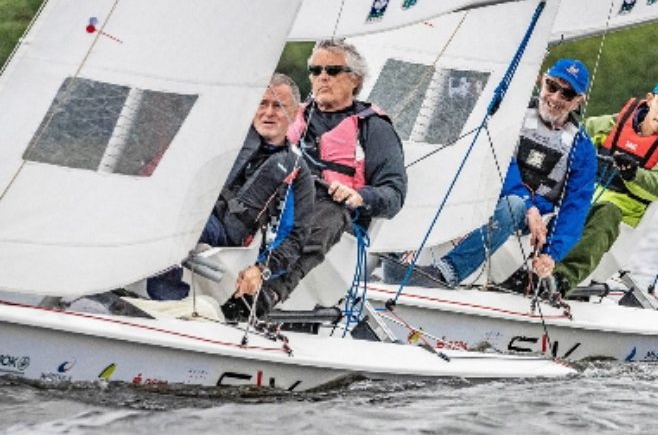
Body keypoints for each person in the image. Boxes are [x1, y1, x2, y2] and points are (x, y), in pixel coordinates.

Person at [404, 59, 597, 289]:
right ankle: (394, 251)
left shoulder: (582, 147)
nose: (555, 98)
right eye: (552, 86)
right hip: (489, 192)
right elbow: (498, 159)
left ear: (578, 101)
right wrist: (529, 205)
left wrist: (551, 254)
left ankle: (445, 274)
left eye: (567, 94)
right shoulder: (513, 114)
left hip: (525, 218)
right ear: (542, 81)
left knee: (514, 206)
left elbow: (576, 205)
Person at [147, 73, 315, 313]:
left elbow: (295, 237)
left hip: (226, 233)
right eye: (262, 103)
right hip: (195, 211)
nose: (268, 112)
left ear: (295, 112)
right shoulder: (227, 140)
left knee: (177, 219)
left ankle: (168, 303)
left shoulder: (296, 170)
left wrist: (261, 269)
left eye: (278, 106)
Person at [279, 39, 407, 300]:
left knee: (326, 212)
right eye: (316, 70)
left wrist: (359, 196)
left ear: (355, 79)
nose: (322, 77)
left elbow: (394, 194)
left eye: (333, 70)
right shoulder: (288, 116)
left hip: (336, 227)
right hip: (278, 213)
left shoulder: (374, 128)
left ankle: (272, 289)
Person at [551, 76, 658, 296]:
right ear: (649, 100)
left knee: (606, 212)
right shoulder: (614, 124)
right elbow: (573, 133)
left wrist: (633, 173)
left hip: (619, 217)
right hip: (582, 200)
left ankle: (561, 280)